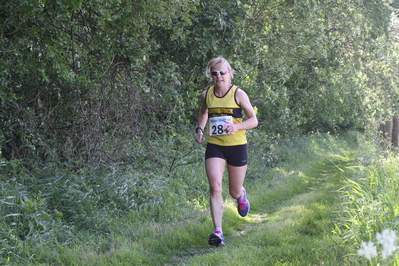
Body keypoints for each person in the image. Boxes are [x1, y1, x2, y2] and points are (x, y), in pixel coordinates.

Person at [195, 57, 258, 246]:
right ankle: (218, 232)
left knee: (233, 191)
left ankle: (241, 195)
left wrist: (237, 128)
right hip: (215, 146)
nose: (218, 76)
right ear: (211, 76)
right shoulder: (207, 94)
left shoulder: (238, 94)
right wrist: (199, 129)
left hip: (237, 147)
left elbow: (253, 120)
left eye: (222, 72)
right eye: (214, 73)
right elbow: (203, 112)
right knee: (215, 187)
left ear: (230, 73)